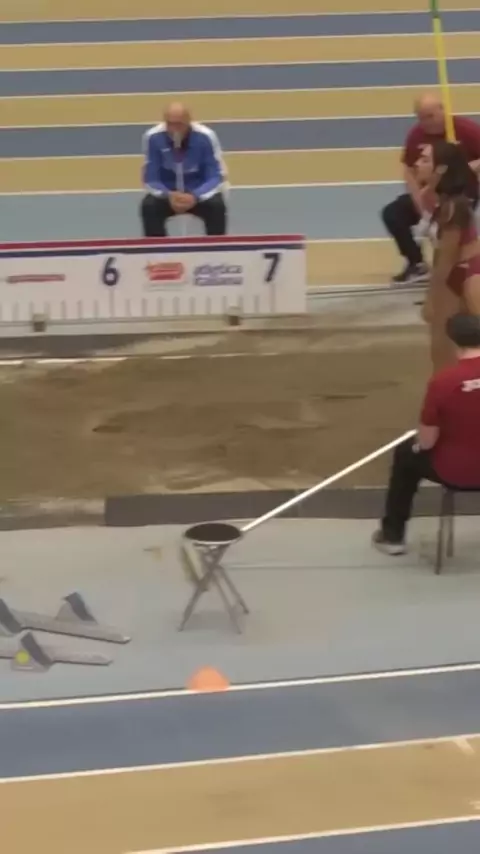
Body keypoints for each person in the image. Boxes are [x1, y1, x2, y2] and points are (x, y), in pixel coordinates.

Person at [372, 313, 480, 555]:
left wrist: (419, 443)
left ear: (452, 341)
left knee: (405, 454)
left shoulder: (442, 382)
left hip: (457, 471)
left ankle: (392, 536)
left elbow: (427, 442)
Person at [381, 93, 480, 286]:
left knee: (451, 232)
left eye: (430, 116)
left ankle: (459, 270)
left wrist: (467, 168)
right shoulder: (416, 134)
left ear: (443, 111)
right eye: (421, 118)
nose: (425, 122)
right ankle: (417, 264)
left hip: (461, 194)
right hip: (430, 193)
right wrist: (422, 206)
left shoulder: (465, 129)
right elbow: (410, 170)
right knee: (393, 213)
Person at [420, 141, 480, 371]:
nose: (417, 164)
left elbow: (445, 261)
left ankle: (445, 388)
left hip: (462, 275)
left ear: (441, 168)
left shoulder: (454, 207)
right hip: (457, 274)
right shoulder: (445, 202)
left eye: (425, 159)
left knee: (441, 344)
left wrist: (431, 299)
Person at [140, 102, 228, 238]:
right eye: (170, 124)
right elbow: (151, 177)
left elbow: (215, 176)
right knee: (149, 207)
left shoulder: (206, 136)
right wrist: (168, 195)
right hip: (169, 194)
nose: (174, 129)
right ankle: (158, 249)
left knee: (217, 206)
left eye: (179, 124)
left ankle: (216, 248)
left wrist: (195, 195)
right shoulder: (153, 137)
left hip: (198, 192)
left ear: (188, 121)